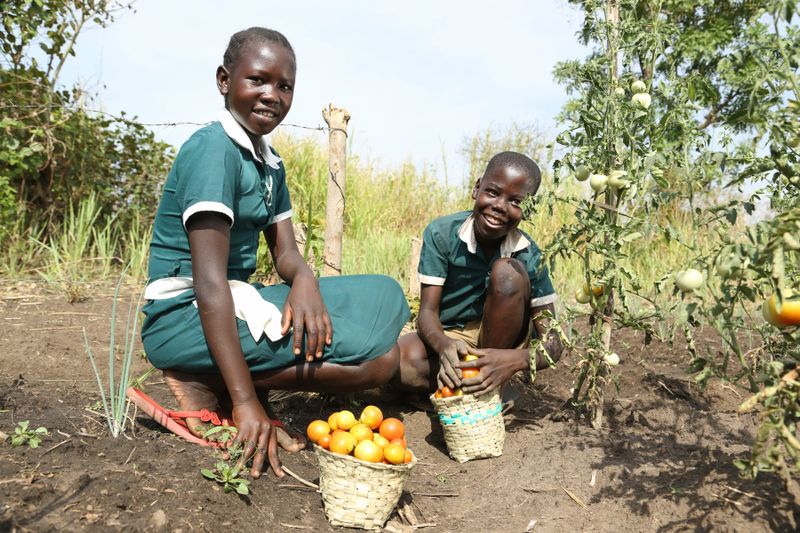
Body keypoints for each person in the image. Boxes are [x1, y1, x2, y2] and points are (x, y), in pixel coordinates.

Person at [140, 27, 409, 480]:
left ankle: (227, 375)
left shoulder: (268, 161)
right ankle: (209, 380)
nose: (272, 96)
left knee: (386, 295)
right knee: (377, 362)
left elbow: (285, 252)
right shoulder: (213, 152)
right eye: (258, 80)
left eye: (284, 86)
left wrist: (303, 281)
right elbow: (208, 285)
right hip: (181, 316)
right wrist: (246, 403)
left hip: (233, 297)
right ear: (224, 80)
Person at [395, 151, 562, 397]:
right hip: (452, 335)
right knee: (399, 362)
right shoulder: (442, 234)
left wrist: (511, 361)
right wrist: (444, 347)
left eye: (516, 202)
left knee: (508, 272)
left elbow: (554, 344)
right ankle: (478, 385)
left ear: (528, 210)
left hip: (502, 342)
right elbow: (427, 313)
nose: (499, 207)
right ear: (477, 189)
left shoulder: (529, 255)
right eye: (493, 192)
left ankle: (492, 380)